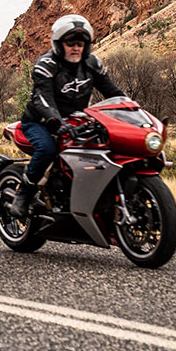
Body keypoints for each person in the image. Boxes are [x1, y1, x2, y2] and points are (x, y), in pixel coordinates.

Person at [10, 14, 125, 218]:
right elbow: (41, 99)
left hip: (76, 120)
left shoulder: (92, 64)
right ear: (59, 44)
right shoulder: (46, 65)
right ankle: (23, 194)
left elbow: (113, 92)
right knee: (47, 149)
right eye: (70, 43)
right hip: (39, 122)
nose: (76, 48)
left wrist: (131, 109)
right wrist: (57, 122)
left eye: (80, 43)